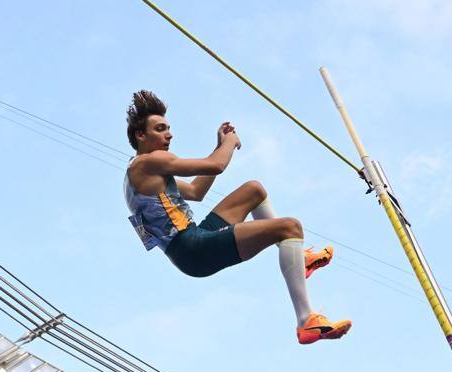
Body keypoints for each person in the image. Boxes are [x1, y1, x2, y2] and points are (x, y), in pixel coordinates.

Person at [123, 90, 351, 345]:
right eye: (160, 128)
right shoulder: (150, 162)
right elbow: (216, 165)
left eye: (168, 128)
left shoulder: (144, 173)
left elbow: (197, 192)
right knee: (290, 226)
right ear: (140, 135)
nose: (169, 134)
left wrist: (219, 147)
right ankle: (305, 320)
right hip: (191, 248)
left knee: (254, 190)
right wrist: (230, 142)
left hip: (194, 239)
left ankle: (298, 258)